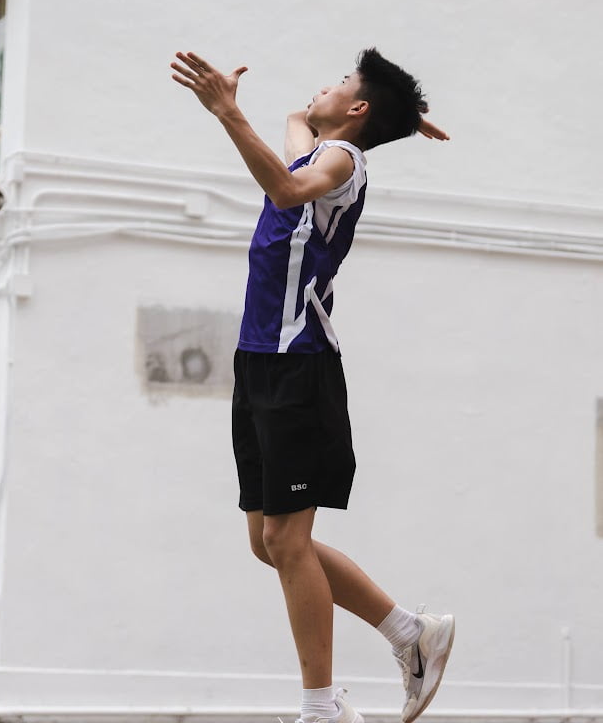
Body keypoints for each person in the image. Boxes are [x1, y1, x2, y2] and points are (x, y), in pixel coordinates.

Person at [170, 48, 454, 723]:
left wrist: (227, 111)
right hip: (259, 359)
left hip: (299, 364)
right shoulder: (318, 147)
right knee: (266, 542)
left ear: (357, 109)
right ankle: (409, 633)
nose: (321, 87)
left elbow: (286, 190)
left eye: (341, 83)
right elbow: (300, 117)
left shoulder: (342, 162)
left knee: (288, 542)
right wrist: (403, 116)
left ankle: (320, 708)